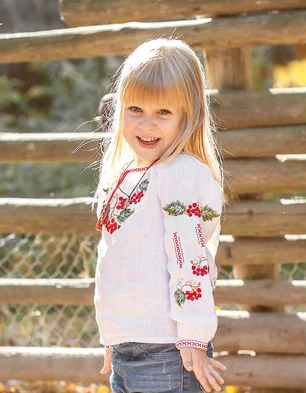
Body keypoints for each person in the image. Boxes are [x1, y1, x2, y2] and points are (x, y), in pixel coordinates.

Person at [91, 37, 228, 393]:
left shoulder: (179, 172)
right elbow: (117, 263)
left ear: (189, 115)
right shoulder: (129, 174)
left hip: (168, 352)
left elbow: (189, 258)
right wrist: (113, 335)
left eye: (163, 112)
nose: (146, 124)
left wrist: (195, 337)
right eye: (135, 108)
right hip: (128, 347)